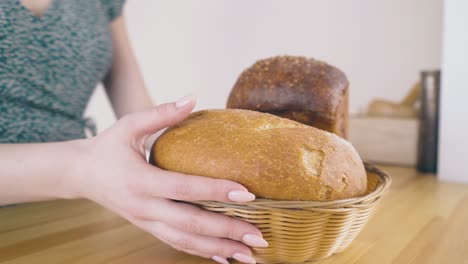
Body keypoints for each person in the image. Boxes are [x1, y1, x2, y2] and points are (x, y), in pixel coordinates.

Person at [0, 1, 267, 264]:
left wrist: (225, 148)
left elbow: (139, 115)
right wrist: (82, 168)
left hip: (69, 211)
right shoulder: (85, 171)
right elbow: (88, 168)